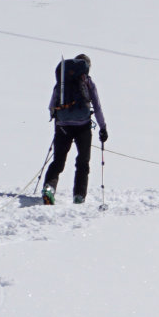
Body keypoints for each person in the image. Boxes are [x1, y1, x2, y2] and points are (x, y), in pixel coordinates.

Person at [43, 54, 108, 205]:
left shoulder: (63, 82)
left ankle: (49, 188)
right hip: (83, 126)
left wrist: (58, 119)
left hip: (63, 126)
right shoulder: (88, 82)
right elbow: (97, 107)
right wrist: (103, 128)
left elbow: (52, 106)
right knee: (83, 162)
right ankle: (79, 196)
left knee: (58, 160)